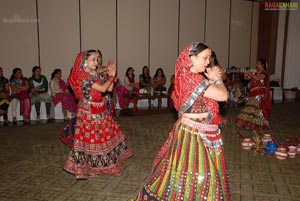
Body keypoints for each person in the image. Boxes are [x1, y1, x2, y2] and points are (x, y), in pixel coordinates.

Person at [134, 42, 230, 200]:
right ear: (191, 58)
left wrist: (212, 80)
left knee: (191, 174)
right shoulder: (192, 78)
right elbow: (223, 96)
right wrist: (218, 80)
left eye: (209, 58)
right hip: (194, 135)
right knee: (200, 174)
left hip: (196, 131)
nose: (208, 62)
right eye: (205, 58)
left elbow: (206, 97)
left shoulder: (191, 76)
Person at [64, 50, 133, 178]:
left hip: (100, 109)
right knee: (91, 140)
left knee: (102, 138)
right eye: (93, 60)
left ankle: (96, 167)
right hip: (89, 112)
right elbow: (102, 88)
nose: (96, 62)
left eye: (97, 59)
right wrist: (111, 77)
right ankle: (88, 168)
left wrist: (111, 75)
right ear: (84, 62)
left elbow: (109, 89)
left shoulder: (93, 75)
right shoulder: (83, 77)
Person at [235, 58, 271, 132]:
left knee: (257, 110)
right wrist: (245, 75)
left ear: (263, 65)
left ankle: (260, 125)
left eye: (258, 64)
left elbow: (258, 78)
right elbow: (248, 78)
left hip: (259, 95)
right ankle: (249, 124)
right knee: (250, 110)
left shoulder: (264, 74)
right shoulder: (256, 73)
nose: (256, 65)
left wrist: (250, 74)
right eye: (256, 64)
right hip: (253, 94)